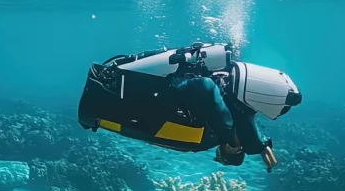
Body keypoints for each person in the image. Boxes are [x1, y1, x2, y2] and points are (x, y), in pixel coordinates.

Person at [77, 42, 301, 171]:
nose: (217, 154)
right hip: (112, 99)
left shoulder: (229, 110)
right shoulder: (214, 133)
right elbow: (206, 90)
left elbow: (240, 115)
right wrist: (230, 139)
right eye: (222, 156)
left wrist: (257, 145)